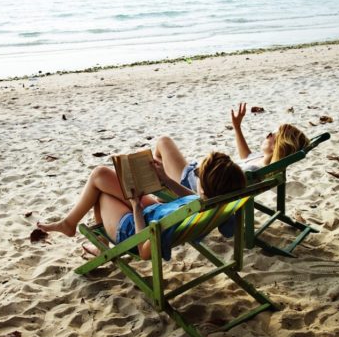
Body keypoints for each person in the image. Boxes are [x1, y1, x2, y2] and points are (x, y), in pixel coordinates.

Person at [37, 152, 245, 260]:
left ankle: (74, 228)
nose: (195, 174)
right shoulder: (219, 203)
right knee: (101, 174)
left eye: (198, 174)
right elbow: (195, 201)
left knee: (100, 189)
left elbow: (144, 251)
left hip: (133, 228)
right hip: (155, 213)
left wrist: (136, 208)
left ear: (205, 189)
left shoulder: (190, 212)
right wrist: (165, 179)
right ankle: (70, 224)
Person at [159, 103, 310, 193]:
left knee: (163, 142)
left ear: (279, 147)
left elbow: (213, 189)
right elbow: (246, 156)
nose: (268, 134)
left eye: (273, 135)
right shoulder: (263, 165)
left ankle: (164, 194)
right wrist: (237, 127)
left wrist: (202, 170)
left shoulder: (251, 171)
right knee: (158, 162)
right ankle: (163, 193)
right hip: (197, 175)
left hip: (192, 182)